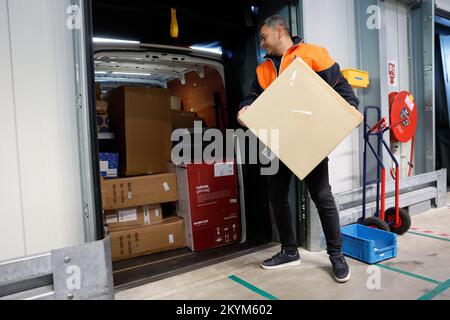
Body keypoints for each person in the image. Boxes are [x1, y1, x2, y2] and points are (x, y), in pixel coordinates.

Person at [237, 15, 360, 283]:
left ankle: (337, 256)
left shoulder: (313, 54)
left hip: (309, 141)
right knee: (278, 198)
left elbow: (344, 90)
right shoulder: (263, 70)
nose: (261, 43)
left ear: (279, 31)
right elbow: (252, 97)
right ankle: (289, 251)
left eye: (263, 36)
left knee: (322, 197)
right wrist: (244, 107)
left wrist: (347, 111)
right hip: (278, 144)